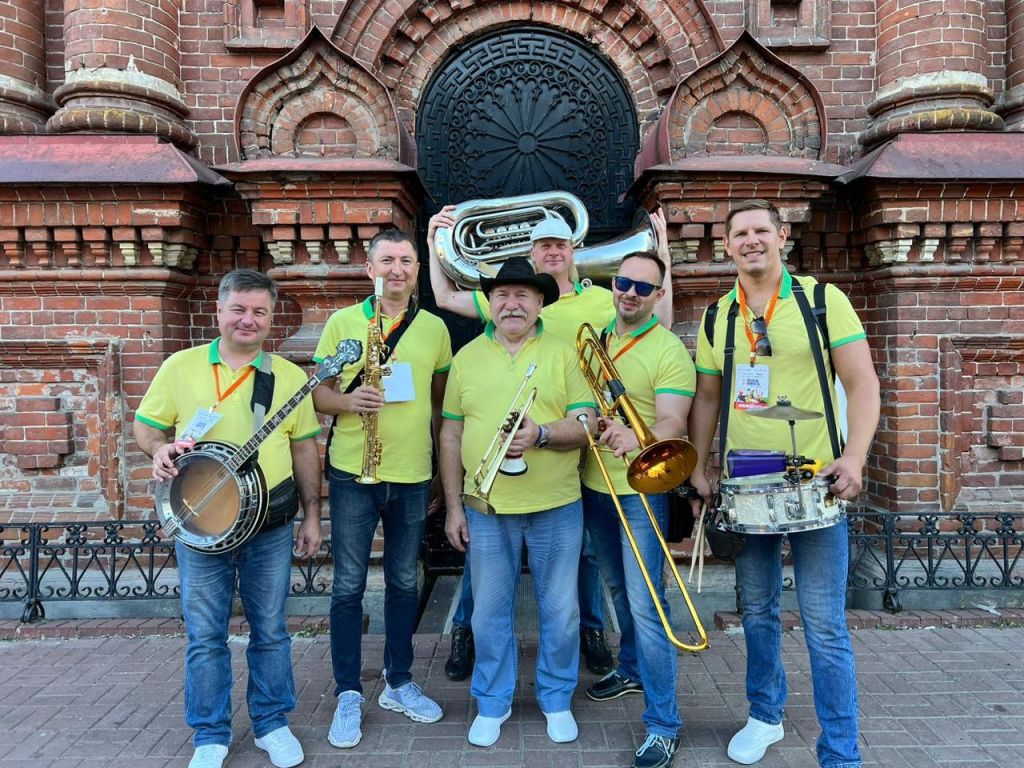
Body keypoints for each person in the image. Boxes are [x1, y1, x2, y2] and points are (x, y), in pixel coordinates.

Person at [428, 204, 673, 679]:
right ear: (533, 254)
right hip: (524, 454)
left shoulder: (601, 298)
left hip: (582, 443)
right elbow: (443, 295)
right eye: (544, 245)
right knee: (486, 557)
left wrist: (662, 261)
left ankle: (590, 631)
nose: (553, 252)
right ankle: (465, 630)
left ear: (573, 250)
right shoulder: (509, 300)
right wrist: (434, 240)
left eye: (560, 244)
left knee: (581, 555)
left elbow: (654, 322)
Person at [687, 200, 880, 768]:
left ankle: (840, 751)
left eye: (760, 231)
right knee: (758, 612)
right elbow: (707, 398)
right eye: (740, 233)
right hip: (746, 482)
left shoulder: (822, 300)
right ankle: (765, 715)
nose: (751, 240)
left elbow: (862, 383)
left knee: (825, 625)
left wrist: (855, 457)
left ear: (782, 236)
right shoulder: (717, 316)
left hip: (815, 481)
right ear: (727, 245)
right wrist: (699, 468)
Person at [133, 269, 324, 768]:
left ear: (271, 318)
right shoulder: (180, 366)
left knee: (271, 629)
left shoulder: (289, 376)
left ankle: (272, 723)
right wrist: (158, 450)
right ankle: (211, 733)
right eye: (238, 309)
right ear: (219, 312)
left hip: (270, 525)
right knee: (205, 635)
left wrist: (313, 515)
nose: (248, 320)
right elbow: (146, 427)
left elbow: (305, 449)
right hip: (199, 526)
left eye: (260, 311)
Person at [438, 256, 597, 748]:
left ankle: (556, 697)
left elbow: (587, 422)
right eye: (502, 295)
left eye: (522, 295)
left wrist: (543, 434)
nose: (512, 304)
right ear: (489, 303)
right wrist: (454, 506)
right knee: (488, 612)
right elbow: (450, 434)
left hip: (556, 503)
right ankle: (492, 701)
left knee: (561, 611)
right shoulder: (466, 358)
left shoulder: (564, 352)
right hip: (486, 508)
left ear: (540, 302)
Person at [312, 229, 452, 748]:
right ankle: (348, 691)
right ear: (370, 268)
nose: (397, 269)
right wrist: (349, 403)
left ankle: (399, 681)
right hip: (353, 472)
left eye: (407, 261)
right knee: (348, 585)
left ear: (417, 271)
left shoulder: (434, 328)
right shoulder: (343, 322)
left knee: (403, 582)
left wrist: (440, 470)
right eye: (387, 260)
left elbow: (440, 406)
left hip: (411, 474)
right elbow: (318, 395)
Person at [580, 251, 696, 768]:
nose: (630, 293)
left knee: (648, 603)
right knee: (616, 588)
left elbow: (673, 421)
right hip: (595, 484)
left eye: (643, 287)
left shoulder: (668, 350)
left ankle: (663, 724)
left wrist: (637, 435)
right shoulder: (599, 338)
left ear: (659, 296)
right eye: (623, 282)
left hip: (641, 487)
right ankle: (630, 668)